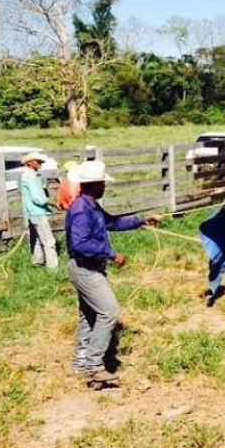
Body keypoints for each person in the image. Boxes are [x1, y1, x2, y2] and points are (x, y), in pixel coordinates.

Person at [65, 160, 158, 386]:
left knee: (90, 316)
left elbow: (112, 222)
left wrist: (141, 221)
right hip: (85, 269)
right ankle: (95, 366)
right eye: (103, 182)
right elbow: (79, 244)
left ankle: (81, 364)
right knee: (109, 311)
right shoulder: (80, 210)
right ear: (94, 184)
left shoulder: (91, 206)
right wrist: (110, 254)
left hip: (89, 268)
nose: (105, 186)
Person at [20, 152, 58, 270]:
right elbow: (37, 198)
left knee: (35, 239)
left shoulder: (27, 175)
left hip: (30, 212)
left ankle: (37, 262)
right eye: (38, 162)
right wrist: (53, 202)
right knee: (48, 241)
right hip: (37, 211)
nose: (40, 164)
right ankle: (53, 268)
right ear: (29, 163)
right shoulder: (31, 176)